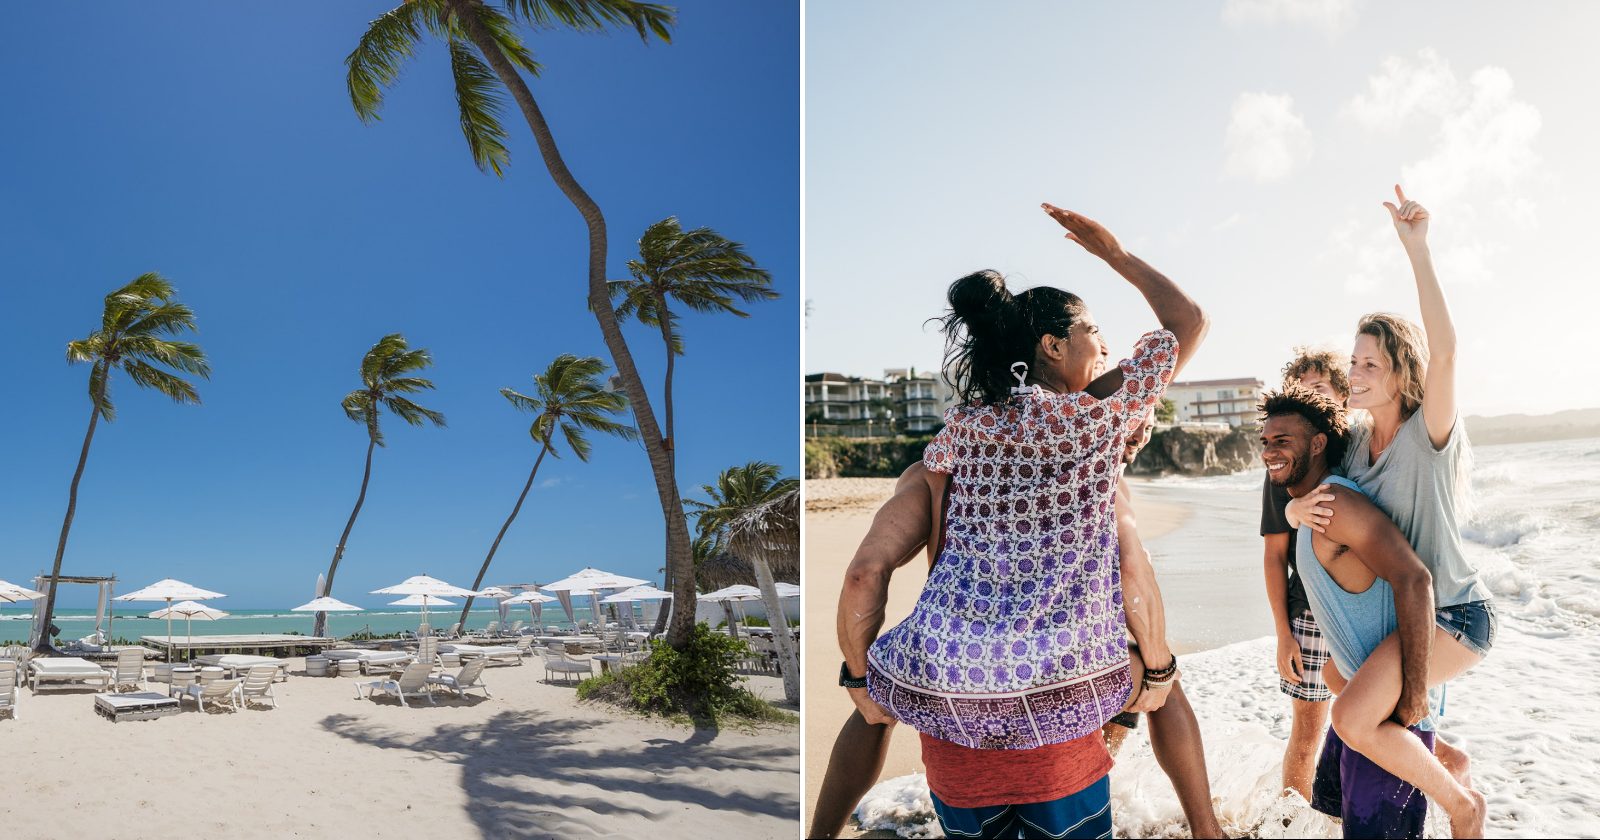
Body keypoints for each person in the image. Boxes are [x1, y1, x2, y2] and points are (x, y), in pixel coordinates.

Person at [839, 203, 1208, 839]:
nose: (1105, 343)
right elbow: (1188, 322)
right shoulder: (1094, 421)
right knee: (1159, 677)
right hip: (1065, 700)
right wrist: (1114, 254)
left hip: (950, 711)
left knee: (880, 700)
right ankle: (1208, 830)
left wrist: (857, 674)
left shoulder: (960, 433)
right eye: (1093, 329)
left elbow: (864, 575)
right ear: (1054, 344)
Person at [1284, 187, 1492, 837]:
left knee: (1349, 718)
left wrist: (1418, 251)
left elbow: (1449, 353)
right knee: (1337, 675)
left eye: (1370, 362)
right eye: (1353, 361)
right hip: (1412, 617)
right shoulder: (1351, 445)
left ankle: (1462, 806)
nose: (1356, 371)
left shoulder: (1425, 436)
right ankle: (1450, 761)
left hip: (1455, 616)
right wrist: (1293, 518)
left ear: (1401, 373)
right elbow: (1312, 497)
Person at [1261, 385, 1482, 838]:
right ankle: (1453, 772)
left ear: (1318, 444)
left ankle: (1464, 808)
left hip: (1385, 709)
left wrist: (1415, 692)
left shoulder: (1335, 504)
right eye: (1264, 441)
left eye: (1281, 441)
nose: (1269, 451)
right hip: (1368, 692)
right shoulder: (1311, 507)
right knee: (1344, 819)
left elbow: (1415, 580)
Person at [1260, 348, 1350, 800]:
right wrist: (1282, 633)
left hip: (1363, 610)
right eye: (1298, 391)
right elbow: (1274, 555)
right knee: (1308, 731)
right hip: (1309, 614)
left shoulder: (1359, 450)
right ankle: (1291, 823)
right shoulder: (1282, 462)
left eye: (1317, 388)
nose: (1308, 398)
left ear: (1340, 393)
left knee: (1372, 723)